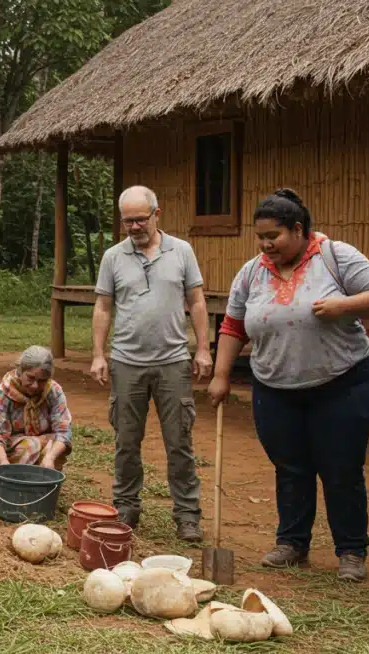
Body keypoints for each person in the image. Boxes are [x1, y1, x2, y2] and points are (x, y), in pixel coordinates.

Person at [207, 189, 369, 583]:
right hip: (275, 388)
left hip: (342, 383)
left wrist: (343, 306)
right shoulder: (252, 272)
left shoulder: (337, 256)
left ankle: (351, 551)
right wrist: (221, 375)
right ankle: (292, 542)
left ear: (298, 229)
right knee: (290, 467)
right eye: (260, 237)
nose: (265, 244)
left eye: (273, 236)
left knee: (341, 468)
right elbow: (233, 325)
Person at [91, 185, 213, 542]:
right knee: (127, 440)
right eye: (127, 221)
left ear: (157, 215)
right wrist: (99, 354)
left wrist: (203, 349)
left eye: (140, 220)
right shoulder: (113, 257)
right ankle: (126, 507)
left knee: (179, 441)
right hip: (127, 363)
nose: (133, 227)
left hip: (173, 361)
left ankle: (187, 515)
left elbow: (198, 302)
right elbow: (102, 307)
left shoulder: (182, 251)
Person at [0, 346, 72, 499]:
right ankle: (7, 485)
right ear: (20, 370)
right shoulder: (3, 392)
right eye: (30, 378)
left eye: (42, 381)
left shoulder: (54, 391)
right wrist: (4, 464)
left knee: (53, 447)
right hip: (12, 448)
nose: (36, 386)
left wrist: (50, 458)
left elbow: (63, 431)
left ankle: (39, 490)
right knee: (32, 445)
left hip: (44, 444)